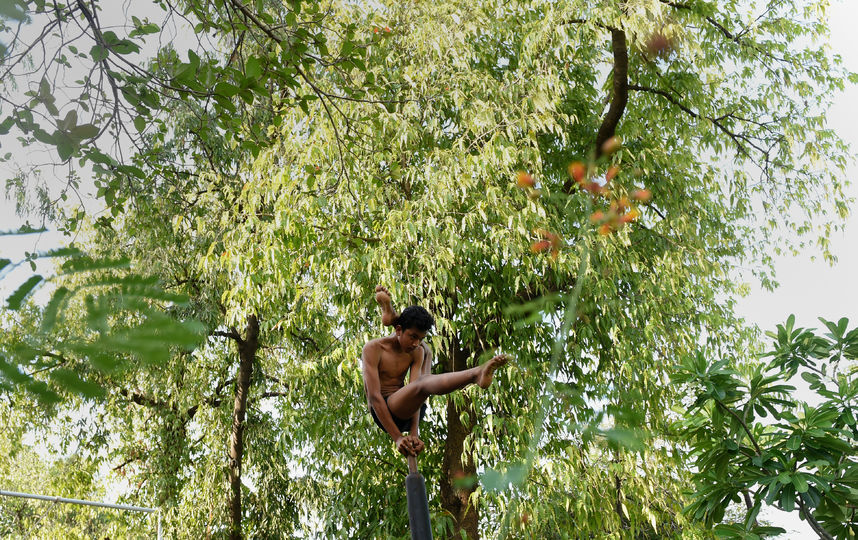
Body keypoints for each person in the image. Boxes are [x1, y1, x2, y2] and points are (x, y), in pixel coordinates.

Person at [363, 286, 509, 456]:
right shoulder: (373, 349)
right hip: (384, 409)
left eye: (421, 338)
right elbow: (373, 397)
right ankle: (475, 374)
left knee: (426, 357)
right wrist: (397, 438)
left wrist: (414, 433)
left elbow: (417, 394)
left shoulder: (417, 351)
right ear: (398, 330)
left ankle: (391, 315)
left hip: (408, 408)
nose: (416, 343)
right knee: (424, 374)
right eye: (413, 336)